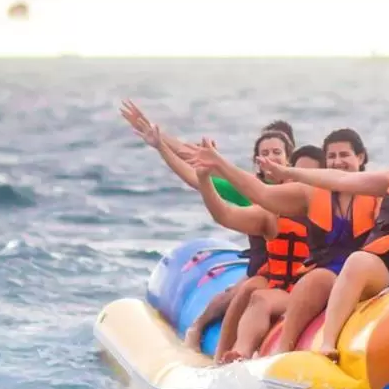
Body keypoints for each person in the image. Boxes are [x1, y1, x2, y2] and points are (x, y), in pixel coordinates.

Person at [256, 111, 389, 360]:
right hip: (386, 272)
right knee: (358, 260)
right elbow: (340, 179)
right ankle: (328, 342)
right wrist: (291, 173)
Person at [120, 101, 308, 354]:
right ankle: (201, 330)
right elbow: (194, 167)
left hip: (298, 275)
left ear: (290, 157)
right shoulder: (249, 189)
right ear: (256, 161)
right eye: (266, 153)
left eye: (277, 152)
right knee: (238, 292)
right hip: (263, 268)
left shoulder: (306, 190)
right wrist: (160, 143)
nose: (272, 158)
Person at [193, 129, 378, 359]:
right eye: (332, 156)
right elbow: (242, 204)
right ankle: (269, 354)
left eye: (345, 155)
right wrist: (212, 170)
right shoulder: (298, 202)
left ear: (360, 158)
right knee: (262, 290)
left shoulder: (376, 193)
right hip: (309, 282)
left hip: (362, 278)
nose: (338, 162)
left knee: (276, 286)